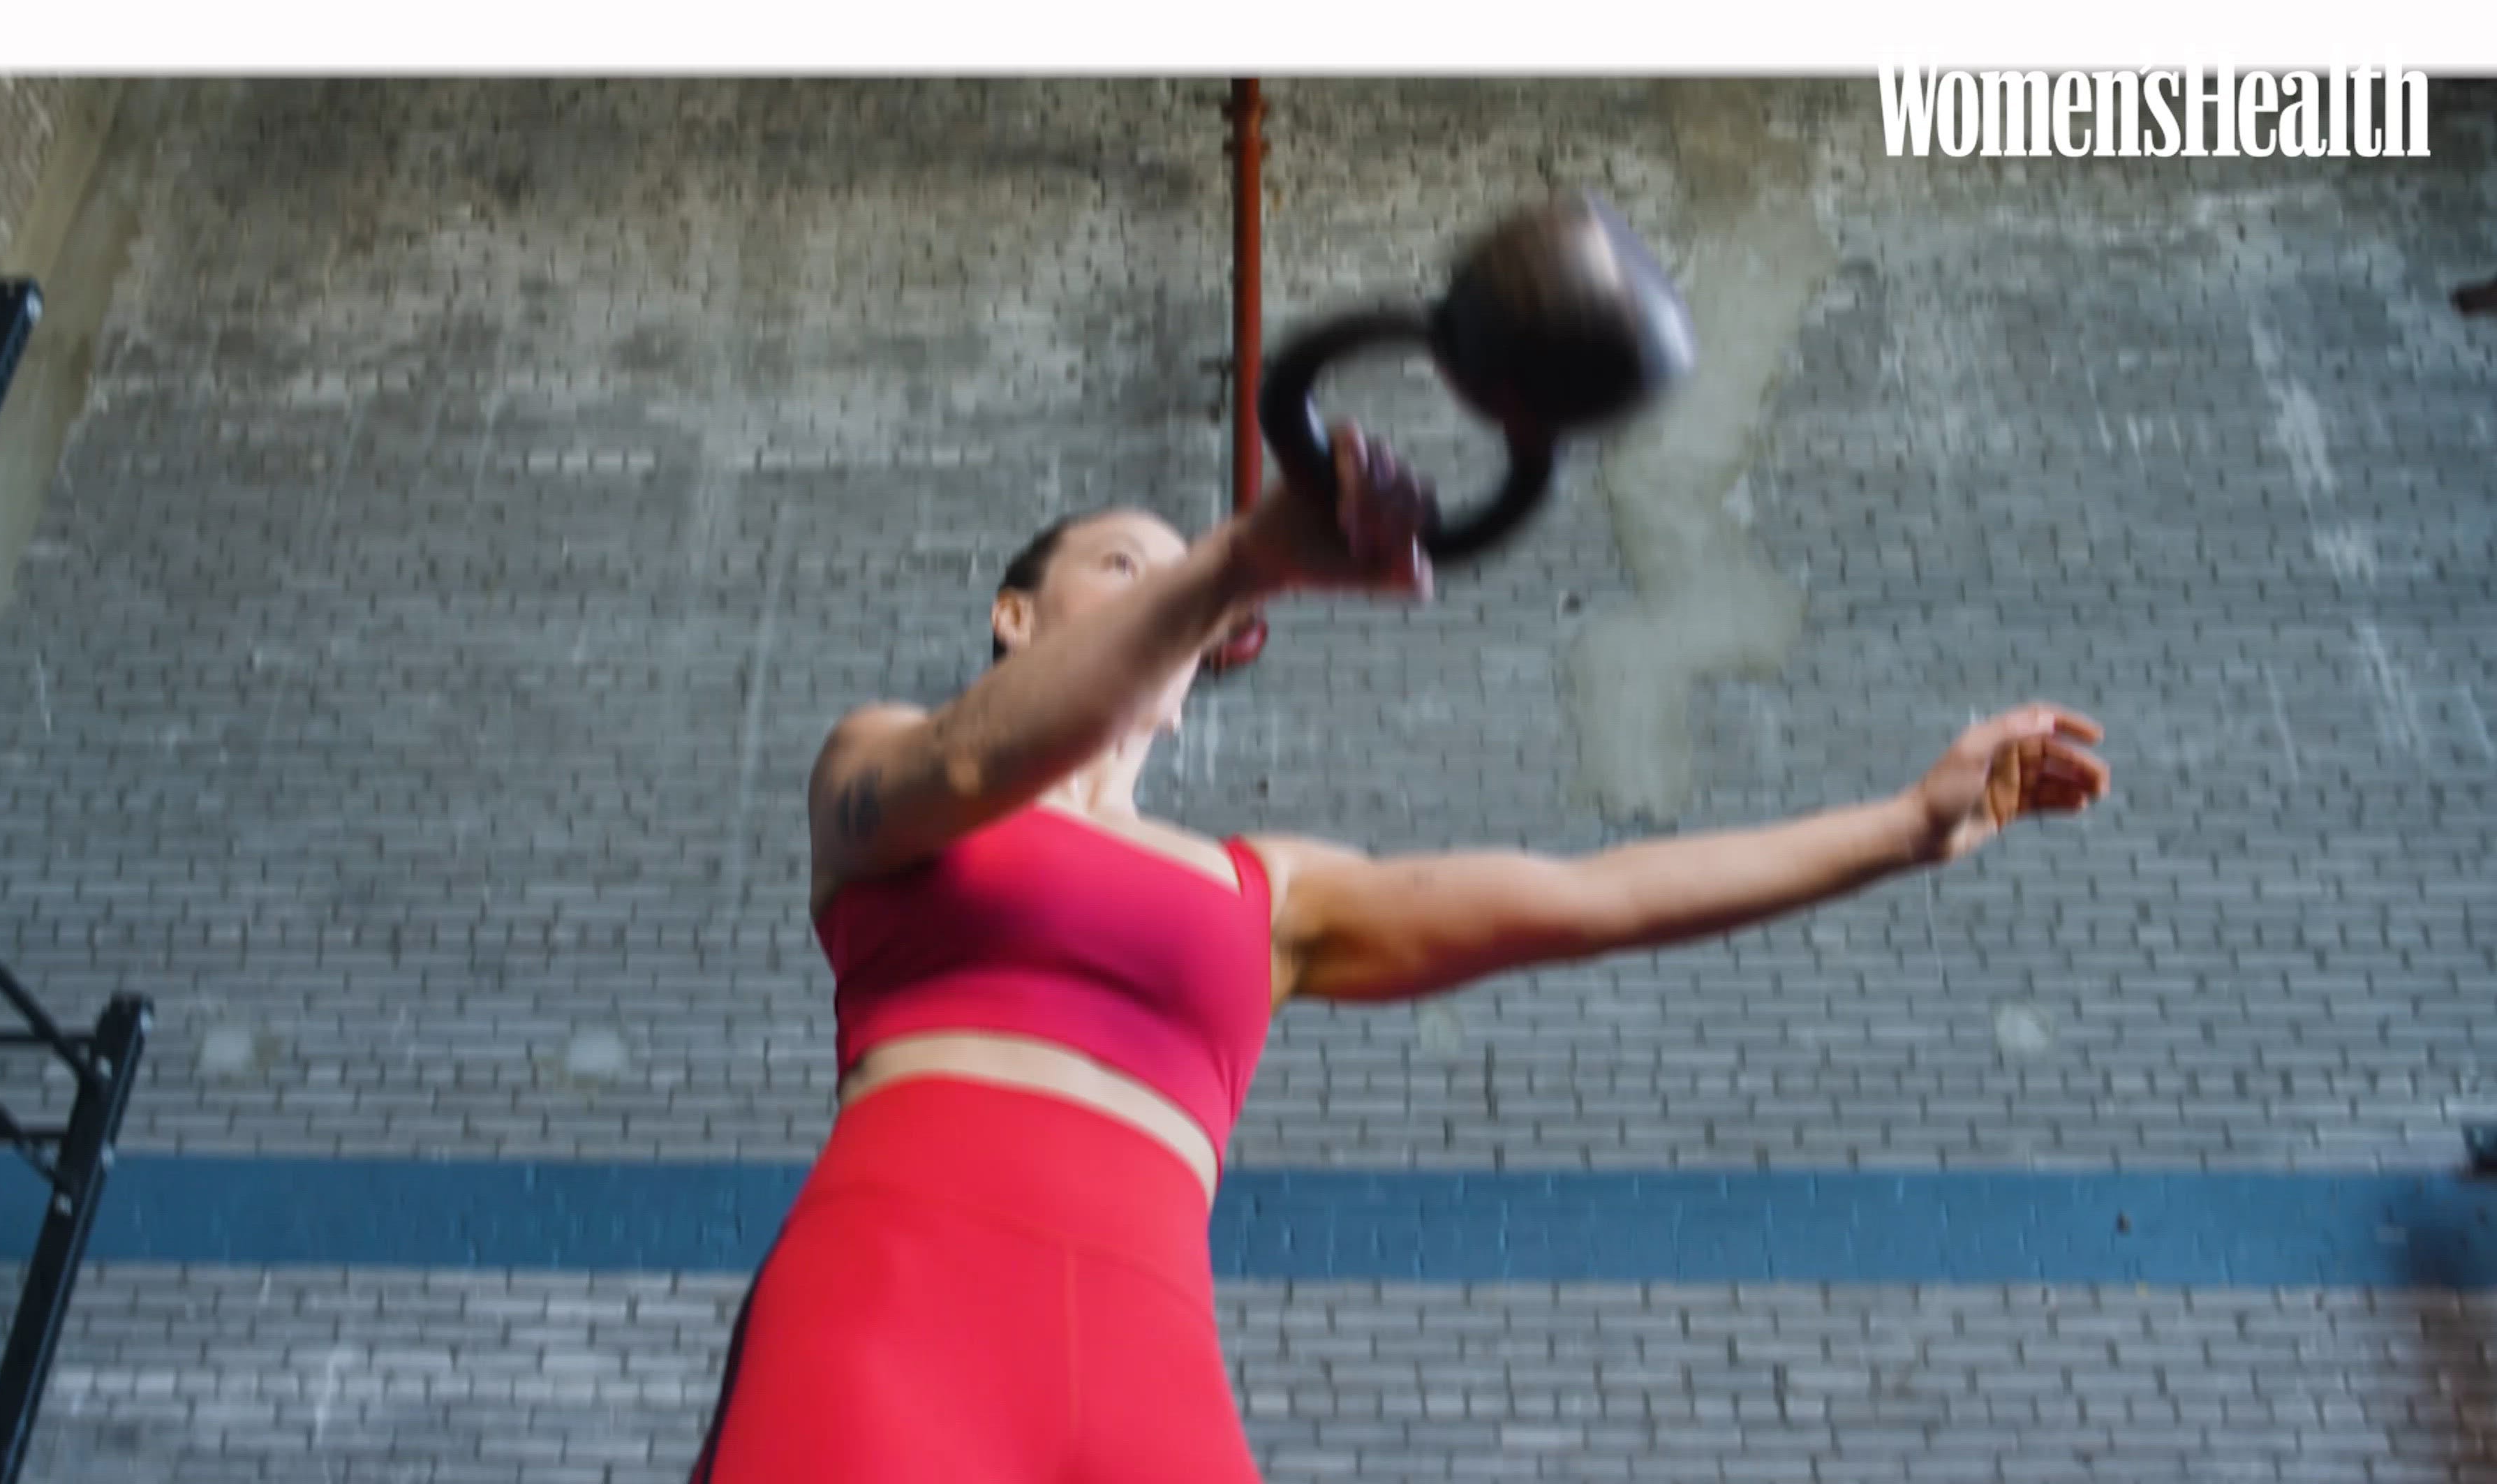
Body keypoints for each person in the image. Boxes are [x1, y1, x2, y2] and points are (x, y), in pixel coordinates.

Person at [690, 426, 2111, 1483]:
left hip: (1144, 1355)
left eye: (1184, 589)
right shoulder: (879, 765)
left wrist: (1902, 828)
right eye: (1128, 570)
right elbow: (972, 752)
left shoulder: (1274, 887)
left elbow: (1593, 897)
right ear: (1017, 615)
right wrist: (1239, 555)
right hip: (896, 1308)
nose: (1167, 594)